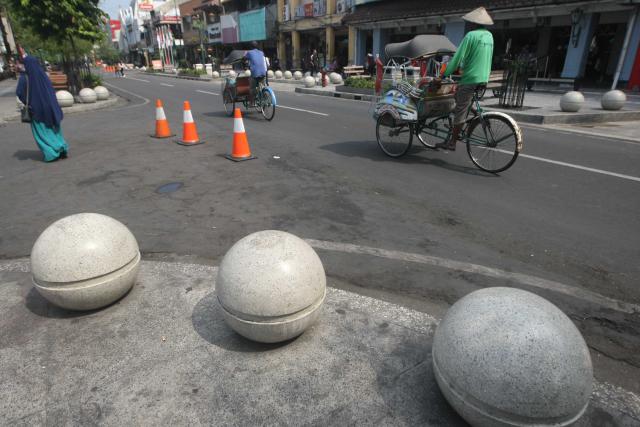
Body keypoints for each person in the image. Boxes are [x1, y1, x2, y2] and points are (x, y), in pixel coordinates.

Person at [435, 7, 494, 151]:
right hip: (484, 77)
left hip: (470, 78)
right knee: (460, 98)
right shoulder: (489, 36)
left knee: (460, 110)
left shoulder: (470, 36)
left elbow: (457, 58)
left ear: (473, 22)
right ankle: (474, 116)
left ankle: (452, 142)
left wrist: (443, 75)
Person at [16, 56, 68, 162]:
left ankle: (52, 153)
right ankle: (62, 148)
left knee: (41, 133)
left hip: (36, 109)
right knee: (55, 129)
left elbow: (19, 93)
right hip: (51, 108)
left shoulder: (25, 77)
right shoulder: (43, 75)